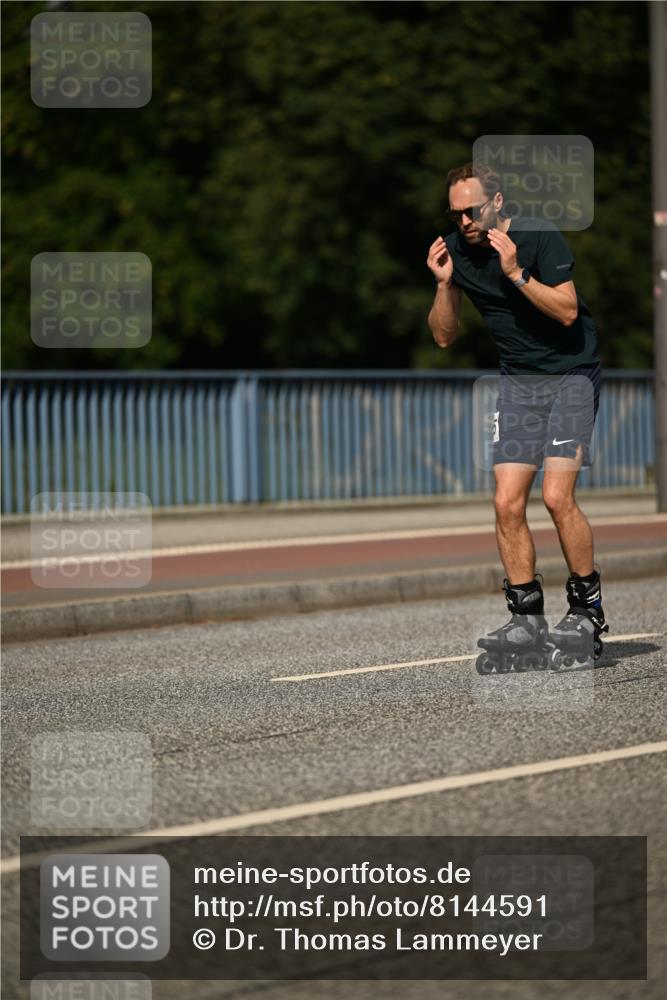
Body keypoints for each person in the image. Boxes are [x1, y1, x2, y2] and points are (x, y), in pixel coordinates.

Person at [426, 162, 608, 671]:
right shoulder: (456, 251)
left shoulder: (537, 237)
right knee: (506, 503)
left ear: (498, 202)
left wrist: (515, 275)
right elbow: (442, 337)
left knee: (556, 496)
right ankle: (526, 615)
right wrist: (443, 286)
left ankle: (587, 611)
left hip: (571, 376)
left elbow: (568, 311)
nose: (464, 221)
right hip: (519, 386)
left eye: (473, 210)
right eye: (456, 212)